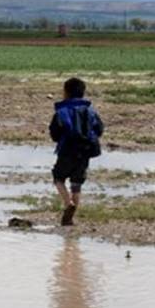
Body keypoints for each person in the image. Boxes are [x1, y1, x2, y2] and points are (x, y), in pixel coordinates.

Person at [49, 77, 104, 226]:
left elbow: (54, 134)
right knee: (77, 183)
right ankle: (70, 218)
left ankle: (68, 203)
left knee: (58, 177)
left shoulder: (61, 111)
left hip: (67, 150)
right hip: (85, 151)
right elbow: (99, 129)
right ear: (83, 92)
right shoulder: (90, 111)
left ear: (66, 92)